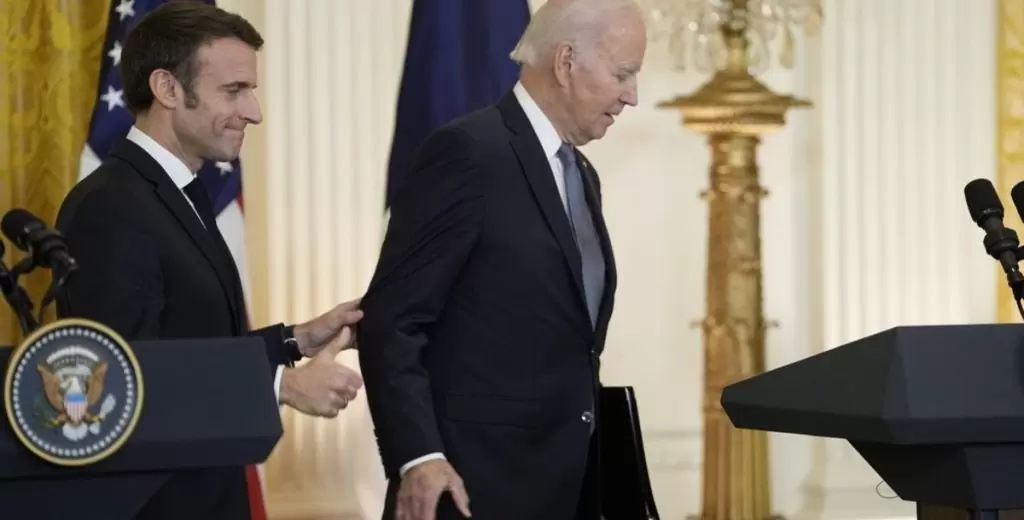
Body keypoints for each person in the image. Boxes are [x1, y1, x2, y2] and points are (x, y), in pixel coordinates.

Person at [55, 2, 364, 518]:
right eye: (234, 90)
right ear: (168, 88)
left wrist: (295, 339)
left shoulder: (178, 194)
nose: (254, 111)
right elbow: (125, 376)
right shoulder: (110, 206)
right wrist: (282, 386)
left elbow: (192, 347)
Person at [357, 0, 647, 518]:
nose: (633, 95)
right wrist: (418, 457)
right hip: (471, 488)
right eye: (623, 74)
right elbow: (393, 320)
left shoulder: (582, 174)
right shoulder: (467, 152)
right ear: (565, 62)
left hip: (568, 485)